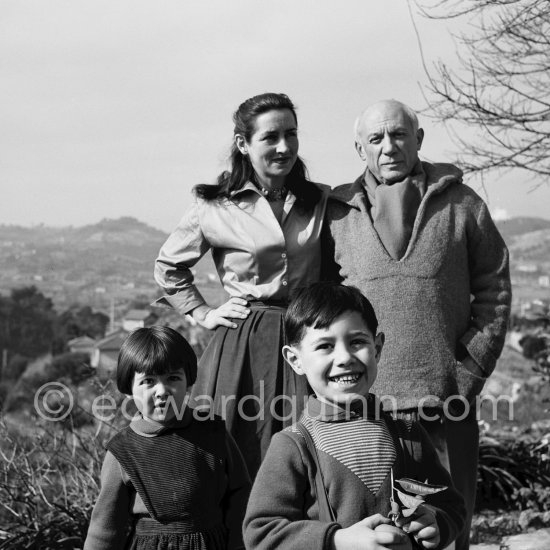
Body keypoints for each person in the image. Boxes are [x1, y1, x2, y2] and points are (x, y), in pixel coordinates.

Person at [322, 99, 512, 549]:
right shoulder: (338, 213)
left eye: (399, 135)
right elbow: (320, 309)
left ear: (419, 139)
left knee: (445, 528)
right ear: (359, 149)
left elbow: (495, 287)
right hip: (362, 408)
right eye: (375, 139)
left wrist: (468, 369)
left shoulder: (464, 204)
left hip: (448, 402)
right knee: (375, 533)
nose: (388, 147)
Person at [154, 92, 329, 476]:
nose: (284, 146)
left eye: (291, 134)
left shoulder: (320, 201)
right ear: (243, 144)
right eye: (270, 137)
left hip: (309, 337)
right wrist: (203, 313)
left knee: (310, 450)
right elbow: (169, 267)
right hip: (245, 345)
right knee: (240, 453)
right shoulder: (215, 206)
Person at [243, 282, 465, 550]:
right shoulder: (293, 446)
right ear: (295, 360)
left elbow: (450, 504)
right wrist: (337, 540)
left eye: (357, 342)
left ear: (378, 348)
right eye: (325, 346)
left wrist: (435, 523)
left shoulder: (407, 433)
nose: (345, 357)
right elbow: (261, 532)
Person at [83, 326, 250, 550]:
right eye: (148, 381)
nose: (162, 391)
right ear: (128, 389)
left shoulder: (214, 433)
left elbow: (240, 494)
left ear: (188, 382)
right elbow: (104, 529)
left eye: (173, 377)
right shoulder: (123, 451)